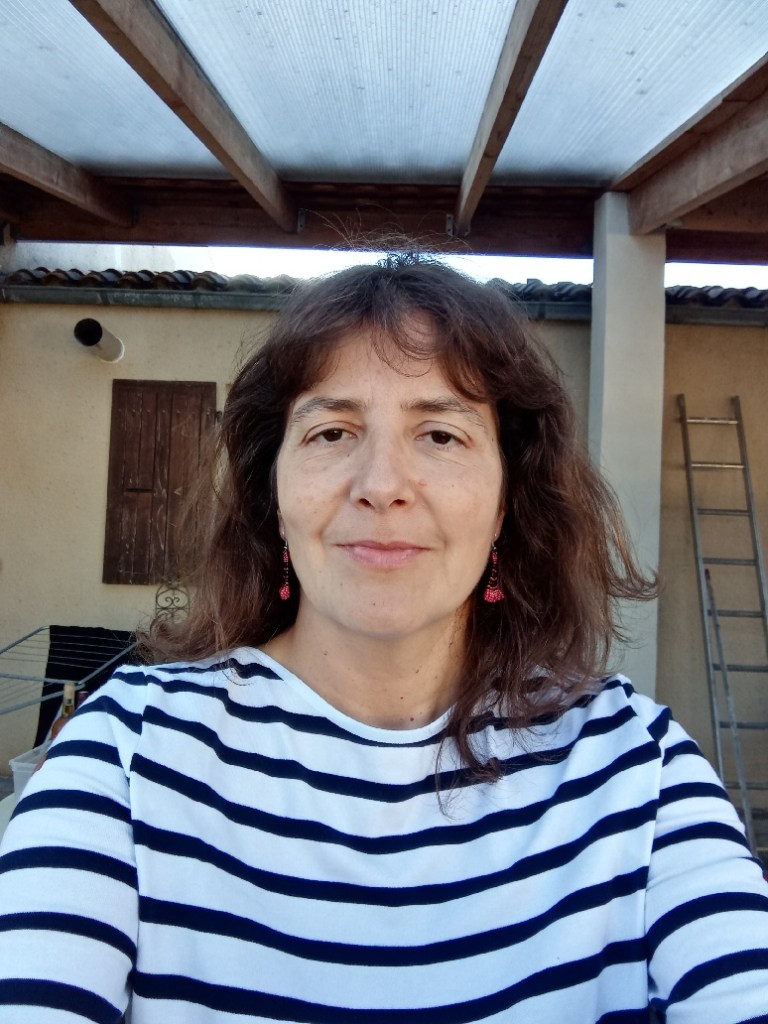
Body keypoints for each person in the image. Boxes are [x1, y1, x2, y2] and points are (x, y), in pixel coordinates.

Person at [1, 255, 767, 1024]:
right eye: (332, 431)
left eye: (440, 434)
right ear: (273, 492)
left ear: (506, 502)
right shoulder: (129, 751)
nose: (382, 485)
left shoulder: (635, 766)